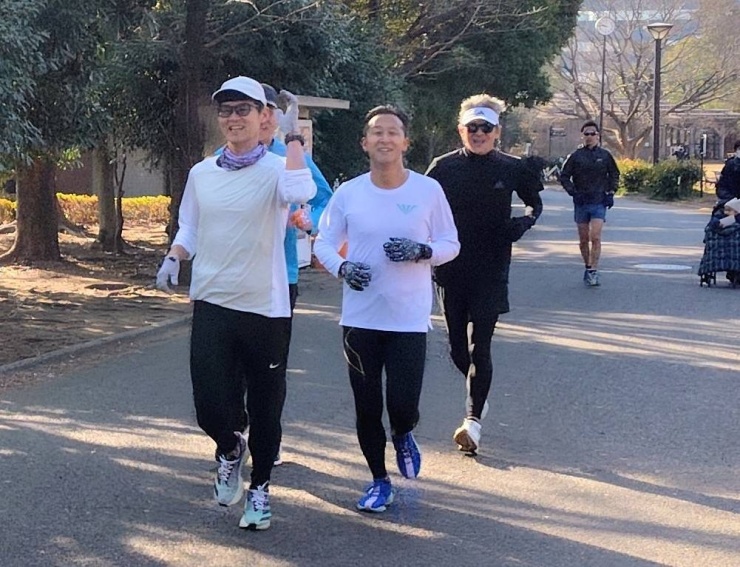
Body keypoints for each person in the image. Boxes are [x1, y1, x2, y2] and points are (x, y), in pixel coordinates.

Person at [155, 76, 316, 531]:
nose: (233, 118)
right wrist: (174, 256)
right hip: (211, 300)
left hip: (265, 307)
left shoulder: (278, 169)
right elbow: (190, 227)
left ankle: (260, 488)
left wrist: (293, 136)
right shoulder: (202, 173)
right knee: (209, 405)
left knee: (266, 405)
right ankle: (229, 448)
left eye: (243, 109)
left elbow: (301, 193)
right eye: (225, 110)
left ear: (263, 116)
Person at [313, 105, 459, 513]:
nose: (385, 138)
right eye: (377, 132)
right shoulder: (350, 193)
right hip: (360, 318)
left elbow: (451, 243)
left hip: (408, 318)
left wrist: (422, 251)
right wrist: (343, 268)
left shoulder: (427, 191)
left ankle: (403, 432)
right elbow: (323, 242)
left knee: (402, 404)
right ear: (365, 143)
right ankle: (379, 479)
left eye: (393, 132)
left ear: (405, 142)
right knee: (366, 406)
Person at [426, 94, 543, 456]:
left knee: (482, 345)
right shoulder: (443, 167)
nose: (478, 133)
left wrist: (524, 222)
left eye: (485, 128)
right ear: (461, 130)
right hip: (450, 267)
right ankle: (479, 392)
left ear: (497, 132)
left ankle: (473, 421)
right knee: (457, 348)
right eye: (472, 127)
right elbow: (419, 205)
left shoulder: (512, 167)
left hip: (492, 266)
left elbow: (534, 202)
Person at [558, 120, 620, 287]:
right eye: (586, 134)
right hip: (581, 202)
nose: (589, 136)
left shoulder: (605, 155)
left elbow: (614, 174)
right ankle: (587, 266)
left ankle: (593, 270)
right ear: (582, 136)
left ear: (598, 136)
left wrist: (611, 192)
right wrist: (573, 192)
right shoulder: (576, 156)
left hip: (599, 201)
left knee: (596, 237)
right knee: (584, 239)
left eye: (592, 133)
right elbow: (564, 176)